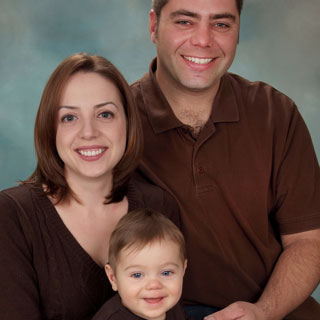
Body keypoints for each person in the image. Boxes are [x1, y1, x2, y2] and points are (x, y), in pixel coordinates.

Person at [130, 0, 320, 319]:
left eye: (221, 24)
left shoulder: (276, 113)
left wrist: (263, 311)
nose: (203, 40)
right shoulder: (112, 122)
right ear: (153, 26)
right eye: (185, 22)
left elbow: (308, 241)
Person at [0, 53, 180, 319]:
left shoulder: (159, 206)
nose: (89, 132)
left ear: (128, 123)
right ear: (51, 130)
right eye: (69, 118)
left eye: (105, 114)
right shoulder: (13, 215)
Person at [91, 208, 187, 320]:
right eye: (137, 275)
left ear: (183, 271)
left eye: (166, 273)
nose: (154, 285)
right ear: (113, 278)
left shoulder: (170, 303)